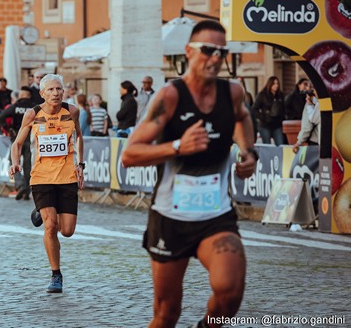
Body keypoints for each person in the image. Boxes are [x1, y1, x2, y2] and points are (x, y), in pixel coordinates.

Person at [121, 20, 257, 328]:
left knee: (230, 290)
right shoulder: (170, 96)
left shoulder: (232, 92)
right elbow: (130, 154)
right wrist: (178, 146)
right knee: (167, 313)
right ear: (188, 52)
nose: (215, 58)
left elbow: (243, 118)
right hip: (170, 218)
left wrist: (249, 153)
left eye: (222, 52)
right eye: (207, 50)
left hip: (215, 215)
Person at [8, 74, 85, 294]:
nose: (56, 93)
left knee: (67, 231)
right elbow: (18, 143)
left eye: (59, 89)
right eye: (51, 90)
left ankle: (41, 211)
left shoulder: (72, 112)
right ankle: (56, 274)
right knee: (51, 226)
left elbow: (79, 136)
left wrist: (81, 164)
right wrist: (15, 163)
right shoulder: (33, 114)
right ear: (42, 93)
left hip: (67, 177)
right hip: (41, 178)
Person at [0, 86, 37, 200]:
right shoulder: (34, 107)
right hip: (31, 138)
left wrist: (8, 129)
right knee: (28, 165)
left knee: (13, 162)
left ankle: (20, 186)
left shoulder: (15, 106)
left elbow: (2, 117)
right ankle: (26, 188)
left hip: (17, 137)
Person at [252, 76, 285, 145]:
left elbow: (283, 108)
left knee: (280, 144)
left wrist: (282, 117)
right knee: (267, 145)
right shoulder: (262, 95)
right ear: (270, 84)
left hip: (277, 124)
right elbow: (254, 109)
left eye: (277, 84)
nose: (276, 86)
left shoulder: (280, 95)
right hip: (265, 125)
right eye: (274, 84)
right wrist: (263, 117)